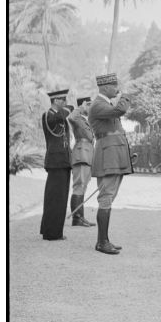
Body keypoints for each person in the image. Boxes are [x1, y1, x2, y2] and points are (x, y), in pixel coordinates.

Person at [89, 73, 134, 255]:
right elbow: (120, 110)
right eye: (115, 86)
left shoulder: (105, 104)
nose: (117, 89)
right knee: (106, 198)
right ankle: (102, 242)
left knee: (109, 197)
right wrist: (126, 95)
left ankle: (104, 240)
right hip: (108, 156)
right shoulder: (98, 105)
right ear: (106, 87)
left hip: (114, 155)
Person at [40, 89, 73, 241]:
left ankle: (55, 231)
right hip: (55, 162)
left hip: (63, 161)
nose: (65, 103)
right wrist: (69, 108)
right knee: (54, 198)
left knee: (61, 198)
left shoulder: (60, 116)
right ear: (56, 101)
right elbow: (61, 116)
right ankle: (51, 233)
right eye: (62, 100)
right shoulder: (48, 116)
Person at [67, 96, 96, 227]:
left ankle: (81, 217)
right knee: (79, 186)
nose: (90, 107)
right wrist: (80, 107)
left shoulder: (86, 121)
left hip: (87, 155)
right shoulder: (77, 118)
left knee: (82, 187)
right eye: (88, 105)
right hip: (81, 155)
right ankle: (77, 218)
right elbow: (71, 117)